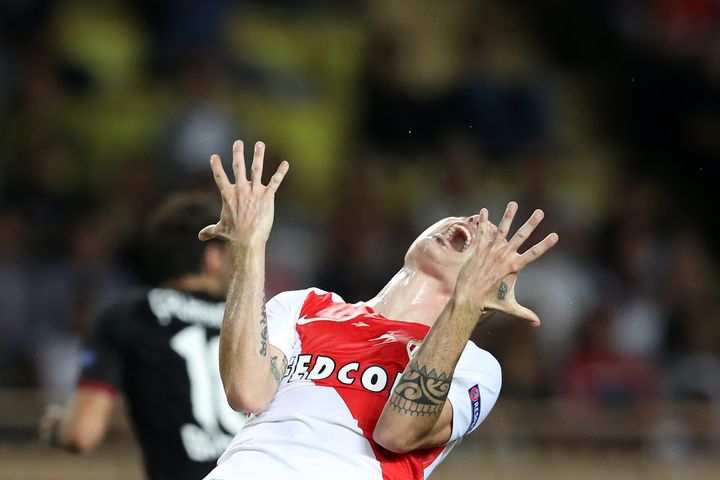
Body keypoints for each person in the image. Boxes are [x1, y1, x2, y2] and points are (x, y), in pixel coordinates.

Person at [199, 140, 559, 479]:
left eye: (489, 241)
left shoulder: (474, 365)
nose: (476, 220)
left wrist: (466, 303)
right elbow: (246, 391)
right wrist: (248, 246)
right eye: (471, 215)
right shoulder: (303, 305)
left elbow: (397, 432)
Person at [39, 193, 249, 480]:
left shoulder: (126, 315)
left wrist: (56, 428)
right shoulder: (251, 319)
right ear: (212, 256)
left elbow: (82, 433)